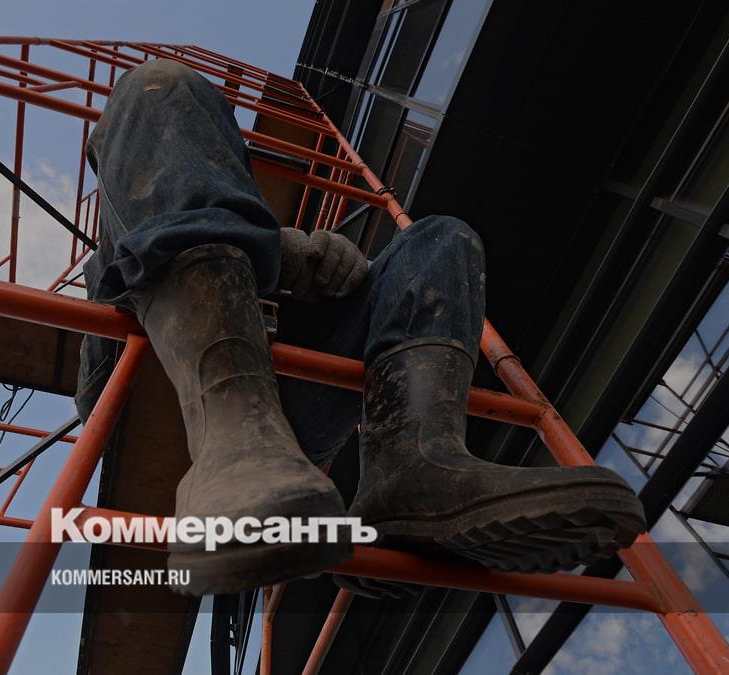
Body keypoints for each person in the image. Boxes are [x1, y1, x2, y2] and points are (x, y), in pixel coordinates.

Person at [74, 59, 644, 597]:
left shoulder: (235, 224)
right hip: (170, 388)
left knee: (438, 240)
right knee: (158, 84)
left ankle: (413, 473)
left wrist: (325, 270)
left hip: (285, 416)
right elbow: (145, 244)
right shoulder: (120, 243)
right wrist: (278, 252)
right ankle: (234, 451)